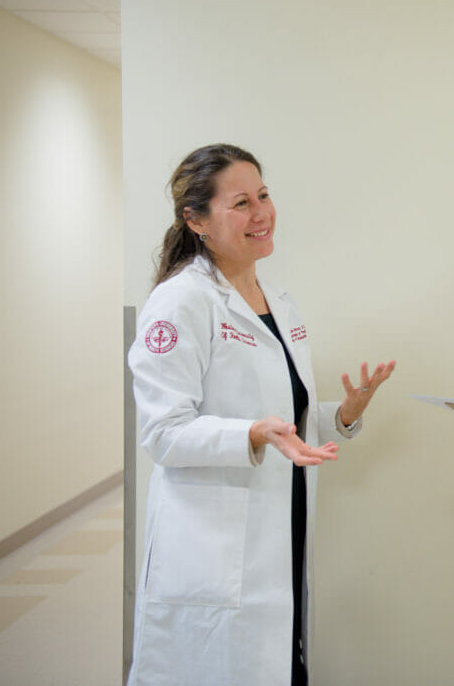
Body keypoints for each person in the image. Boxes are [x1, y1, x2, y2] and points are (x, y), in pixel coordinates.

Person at [126, 143, 395, 686]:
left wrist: (341, 414)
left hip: (280, 525)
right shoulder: (181, 302)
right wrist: (250, 432)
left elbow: (280, 422)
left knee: (278, 664)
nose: (262, 213)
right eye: (242, 202)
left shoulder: (277, 300)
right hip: (213, 545)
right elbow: (163, 432)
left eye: (264, 196)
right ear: (196, 219)